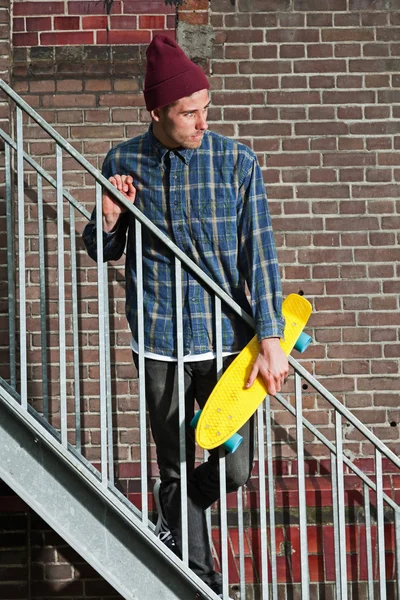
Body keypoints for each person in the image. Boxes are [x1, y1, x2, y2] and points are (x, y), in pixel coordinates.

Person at [82, 34, 288, 599]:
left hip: (226, 342)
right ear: (156, 112)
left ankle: (178, 510)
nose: (202, 122)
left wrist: (271, 338)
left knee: (238, 467)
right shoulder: (122, 161)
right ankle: (201, 578)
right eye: (188, 113)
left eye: (206, 109)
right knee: (172, 465)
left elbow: (260, 254)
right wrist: (107, 216)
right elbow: (103, 252)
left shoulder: (236, 161)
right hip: (158, 341)